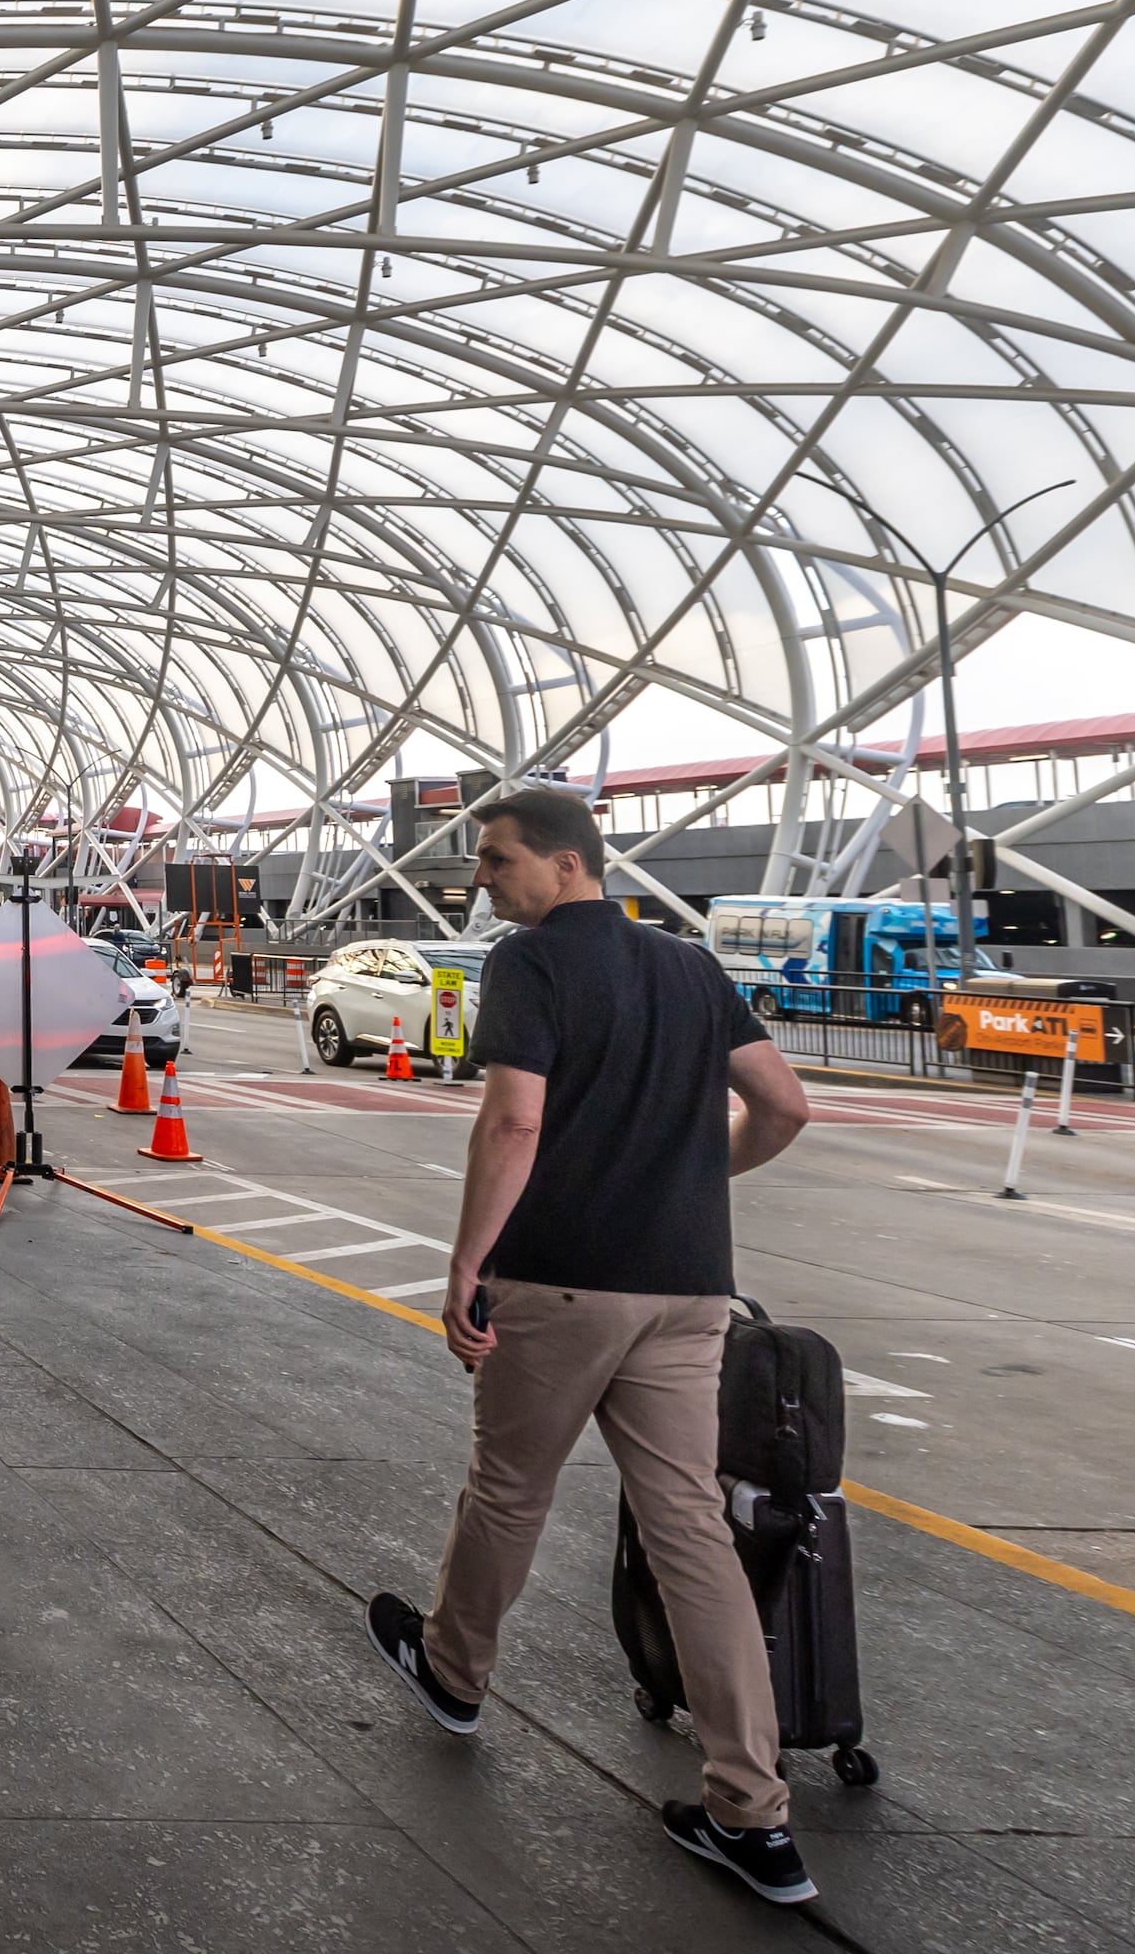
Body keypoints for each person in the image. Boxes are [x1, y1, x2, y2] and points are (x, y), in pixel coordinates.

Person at [364, 786, 819, 1905]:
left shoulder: (530, 961)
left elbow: (515, 1119)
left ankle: (454, 1672)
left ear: (567, 864)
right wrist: (694, 1175)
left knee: (511, 1486)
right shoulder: (690, 967)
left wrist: (467, 1261)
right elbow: (784, 1106)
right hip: (688, 1289)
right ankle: (753, 1814)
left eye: (497, 860)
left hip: (562, 1280)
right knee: (693, 1533)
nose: (482, 880)